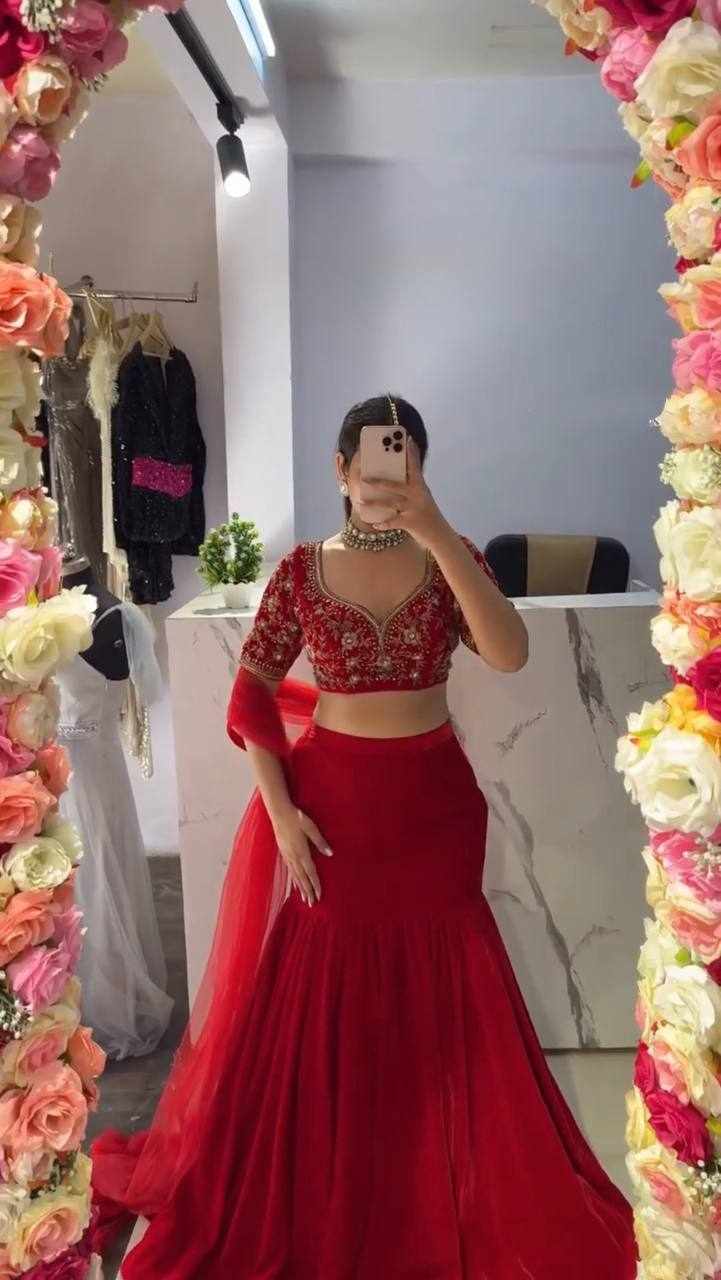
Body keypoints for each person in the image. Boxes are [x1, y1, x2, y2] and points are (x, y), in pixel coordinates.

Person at [91, 395, 638, 1278]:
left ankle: (430, 1172)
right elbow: (251, 695)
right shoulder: (301, 571)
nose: (389, 474)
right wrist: (280, 812)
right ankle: (339, 1175)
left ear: (418, 467)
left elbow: (508, 652)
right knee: (329, 987)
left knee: (443, 977)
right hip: (335, 809)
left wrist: (435, 528)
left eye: (406, 458)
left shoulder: (449, 558)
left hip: (433, 808)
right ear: (341, 469)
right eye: (375, 459)